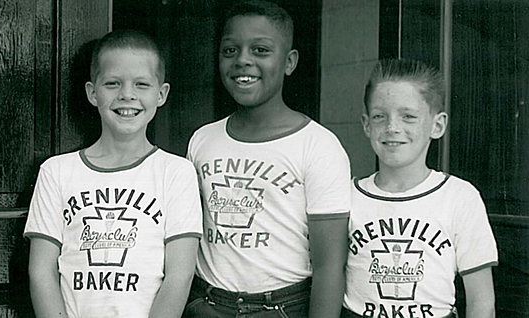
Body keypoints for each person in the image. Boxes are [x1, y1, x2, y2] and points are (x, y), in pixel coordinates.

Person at [182, 1, 351, 318]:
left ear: (289, 62)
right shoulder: (202, 139)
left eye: (260, 50)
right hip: (208, 304)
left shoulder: (318, 145)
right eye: (230, 50)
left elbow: (330, 266)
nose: (243, 60)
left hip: (282, 308)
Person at [24, 29, 202, 318]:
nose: (127, 95)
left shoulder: (176, 173)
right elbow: (41, 271)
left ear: (161, 94)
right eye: (112, 83)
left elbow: (179, 276)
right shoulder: (57, 171)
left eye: (141, 84)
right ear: (93, 93)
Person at [341, 58, 499, 318]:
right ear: (367, 124)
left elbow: (482, 302)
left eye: (409, 117)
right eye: (380, 116)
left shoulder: (459, 196)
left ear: (437, 125)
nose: (392, 127)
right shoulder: (347, 195)